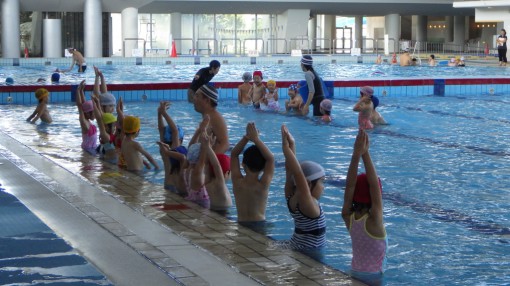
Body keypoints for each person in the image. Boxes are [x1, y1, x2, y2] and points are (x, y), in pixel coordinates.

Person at [341, 130, 387, 285]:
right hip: (372, 279)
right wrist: (365, 154)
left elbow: (349, 186)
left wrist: (356, 155)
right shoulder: (375, 220)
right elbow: (374, 186)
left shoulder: (348, 217)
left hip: (353, 273)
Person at [275, 125, 326, 249]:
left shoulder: (291, 196)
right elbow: (297, 172)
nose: (323, 187)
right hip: (306, 253)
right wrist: (286, 148)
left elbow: (290, 170)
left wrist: (292, 144)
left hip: (294, 245)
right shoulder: (308, 203)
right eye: (321, 182)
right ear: (308, 184)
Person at [231, 122, 275, 222]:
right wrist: (256, 139)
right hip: (259, 225)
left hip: (241, 224)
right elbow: (271, 159)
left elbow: (234, 154)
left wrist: (246, 138)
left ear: (243, 164)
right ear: (263, 168)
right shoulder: (263, 185)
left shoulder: (237, 181)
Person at [157, 101, 188, 195]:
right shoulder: (175, 150)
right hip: (175, 187)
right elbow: (174, 130)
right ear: (180, 139)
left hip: (166, 185)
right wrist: (164, 113)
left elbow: (161, 129)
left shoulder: (163, 148)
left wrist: (159, 113)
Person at [192, 85, 229, 154]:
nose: (194, 98)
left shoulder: (215, 118)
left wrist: (209, 162)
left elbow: (225, 144)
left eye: (197, 96)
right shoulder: (207, 117)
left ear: (207, 100)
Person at [91, 95, 117, 163]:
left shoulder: (111, 135)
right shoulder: (106, 137)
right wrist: (94, 104)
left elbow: (102, 116)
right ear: (106, 127)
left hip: (110, 158)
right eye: (113, 126)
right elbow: (100, 119)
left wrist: (98, 103)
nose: (115, 128)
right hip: (108, 161)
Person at [76, 80, 97, 152]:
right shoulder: (84, 122)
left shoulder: (87, 120)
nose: (95, 114)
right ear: (88, 113)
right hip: (87, 151)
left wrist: (82, 90)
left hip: (92, 149)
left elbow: (84, 104)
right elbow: (80, 106)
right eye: (94, 112)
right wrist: (78, 90)